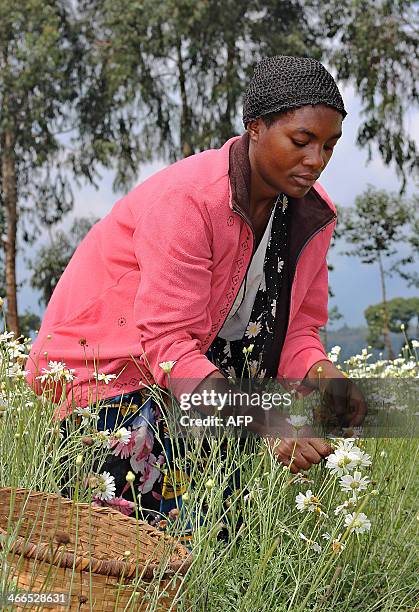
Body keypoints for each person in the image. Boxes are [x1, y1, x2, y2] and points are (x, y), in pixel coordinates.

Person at [26, 56, 366, 534]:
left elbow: (296, 331)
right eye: (301, 141)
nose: (316, 160)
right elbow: (167, 345)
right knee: (147, 542)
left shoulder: (312, 216)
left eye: (329, 146)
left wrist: (327, 375)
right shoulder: (189, 200)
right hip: (112, 378)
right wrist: (265, 422)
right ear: (255, 128)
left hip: (194, 382)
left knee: (226, 535)